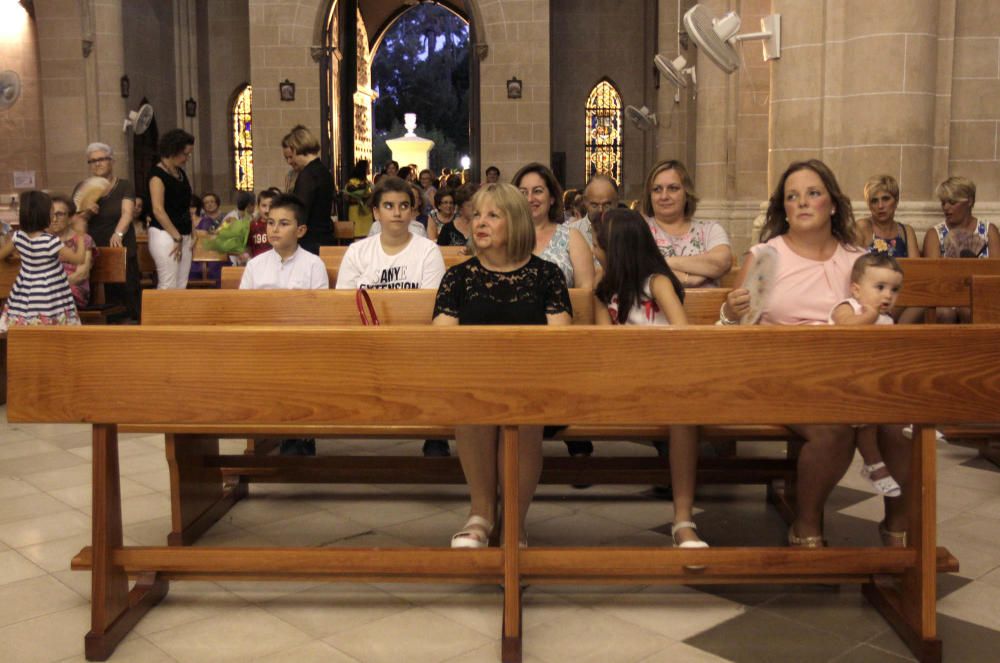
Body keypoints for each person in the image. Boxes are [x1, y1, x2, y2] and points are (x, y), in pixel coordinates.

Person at [721, 159, 910, 548]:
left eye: (813, 193)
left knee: (899, 427)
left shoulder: (858, 259)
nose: (802, 202)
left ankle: (898, 529)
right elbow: (737, 332)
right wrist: (730, 310)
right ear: (783, 208)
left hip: (851, 376)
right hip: (784, 376)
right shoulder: (766, 256)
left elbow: (880, 317)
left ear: (833, 204)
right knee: (832, 431)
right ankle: (806, 528)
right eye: (792, 196)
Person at [434, 183, 572, 548]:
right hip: (474, 388)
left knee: (521, 410)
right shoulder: (458, 278)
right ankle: (480, 513)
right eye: (476, 214)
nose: (480, 222)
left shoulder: (547, 276)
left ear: (516, 222)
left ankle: (514, 519)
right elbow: (442, 343)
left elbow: (559, 343)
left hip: (533, 389)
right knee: (474, 402)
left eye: (493, 215)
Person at [593, 208, 707, 548]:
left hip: (666, 377)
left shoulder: (657, 282)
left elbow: (682, 334)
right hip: (623, 382)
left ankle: (683, 519)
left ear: (617, 249)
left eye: (599, 246)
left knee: (684, 418)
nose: (595, 252)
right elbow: (604, 344)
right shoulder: (604, 289)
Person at [513, 162, 595, 459]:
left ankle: (561, 426)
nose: (530, 198)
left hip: (561, 335)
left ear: (551, 198)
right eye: (522, 192)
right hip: (516, 336)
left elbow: (586, 291)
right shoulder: (506, 237)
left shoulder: (570, 237)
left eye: (538, 191)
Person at [828, 253, 904, 498]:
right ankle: (874, 465)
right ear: (856, 289)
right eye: (880, 287)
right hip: (841, 381)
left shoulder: (886, 320)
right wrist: (869, 317)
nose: (887, 295)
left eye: (894, 290)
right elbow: (846, 329)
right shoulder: (847, 307)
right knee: (866, 421)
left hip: (871, 381)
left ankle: (915, 418)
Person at [337, 176, 445, 290]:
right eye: (389, 206)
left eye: (404, 206)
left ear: (411, 211)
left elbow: (429, 304)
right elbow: (344, 303)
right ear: (376, 212)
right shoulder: (356, 252)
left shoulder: (429, 252)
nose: (397, 213)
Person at [0, 191, 87, 331]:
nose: (54, 216)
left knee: (26, 329)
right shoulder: (50, 241)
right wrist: (81, 235)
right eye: (52, 211)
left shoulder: (18, 237)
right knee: (52, 329)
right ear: (44, 214)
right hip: (50, 293)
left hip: (24, 291)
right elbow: (78, 259)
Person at [75, 142, 141, 319]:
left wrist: (118, 234)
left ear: (111, 161)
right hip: (93, 247)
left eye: (102, 159)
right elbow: (75, 222)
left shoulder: (124, 185)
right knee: (96, 294)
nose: (97, 163)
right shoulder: (83, 187)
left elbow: (127, 214)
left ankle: (133, 325)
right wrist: (87, 212)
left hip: (120, 244)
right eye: (92, 161)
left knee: (128, 292)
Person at [642, 160, 733, 287]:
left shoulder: (709, 230)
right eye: (657, 189)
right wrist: (688, 277)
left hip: (706, 306)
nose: (664, 196)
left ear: (687, 193)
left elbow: (721, 263)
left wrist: (663, 263)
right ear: (649, 195)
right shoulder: (639, 229)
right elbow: (634, 269)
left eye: (673, 188)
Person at [923, 176, 1000, 323]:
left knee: (969, 311)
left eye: (952, 202)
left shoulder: (989, 231)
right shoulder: (935, 234)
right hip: (946, 295)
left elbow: (996, 272)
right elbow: (933, 277)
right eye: (943, 203)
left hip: (981, 294)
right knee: (947, 313)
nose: (946, 208)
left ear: (969, 201)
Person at [148, 129, 195, 290]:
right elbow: (158, 210)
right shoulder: (157, 175)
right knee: (168, 283)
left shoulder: (180, 173)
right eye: (185, 154)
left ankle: (178, 316)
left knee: (181, 285)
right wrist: (176, 237)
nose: (187, 158)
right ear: (173, 150)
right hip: (166, 235)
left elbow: (186, 206)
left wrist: (192, 232)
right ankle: (162, 316)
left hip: (184, 234)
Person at [282, 125, 335, 254]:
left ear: (296, 149)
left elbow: (300, 210)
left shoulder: (308, 174)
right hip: (325, 238)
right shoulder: (323, 170)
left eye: (291, 156)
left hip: (310, 242)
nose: (290, 161)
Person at [49, 195, 96, 309]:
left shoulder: (83, 239)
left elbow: (82, 274)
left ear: (70, 218)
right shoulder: (44, 240)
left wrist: (52, 286)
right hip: (47, 291)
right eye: (51, 214)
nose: (54, 219)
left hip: (73, 289)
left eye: (59, 214)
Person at [436, 183, 476, 248]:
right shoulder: (447, 229)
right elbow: (440, 253)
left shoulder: (482, 228)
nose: (475, 208)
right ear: (460, 207)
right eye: (470, 205)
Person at [244, 188, 279, 261]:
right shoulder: (252, 225)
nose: (267, 210)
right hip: (257, 264)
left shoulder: (280, 226)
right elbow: (248, 247)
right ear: (258, 207)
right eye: (264, 206)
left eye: (271, 206)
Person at [344, 160, 374, 238]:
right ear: (363, 168)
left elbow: (346, 197)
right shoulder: (353, 182)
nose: (369, 169)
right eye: (368, 167)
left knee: (362, 236)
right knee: (362, 236)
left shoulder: (366, 182)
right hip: (360, 210)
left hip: (359, 210)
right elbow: (346, 196)